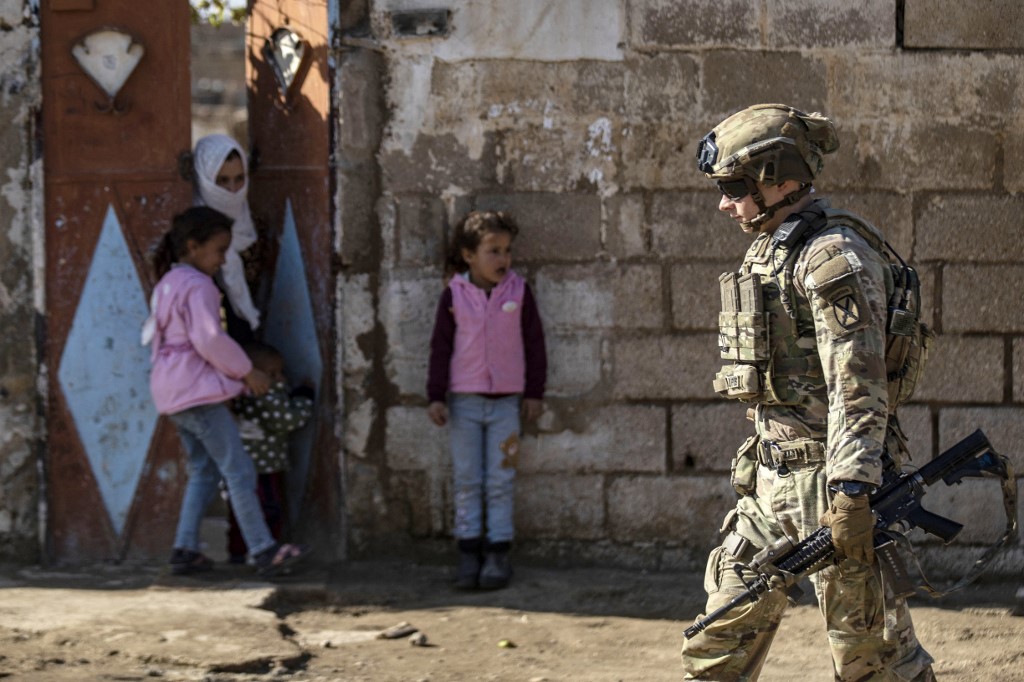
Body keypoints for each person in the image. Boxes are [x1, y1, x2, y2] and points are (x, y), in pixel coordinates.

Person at [681, 104, 936, 680]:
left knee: (872, 661)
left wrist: (852, 493)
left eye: (733, 187)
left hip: (833, 487)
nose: (724, 203)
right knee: (718, 641)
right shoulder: (773, 248)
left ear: (778, 178)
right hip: (770, 485)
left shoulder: (832, 258)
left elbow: (858, 383)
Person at [144, 206, 312, 578]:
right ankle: (263, 549)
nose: (222, 260)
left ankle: (185, 548)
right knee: (239, 469)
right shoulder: (200, 286)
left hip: (171, 390)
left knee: (204, 470)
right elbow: (209, 339)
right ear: (193, 246)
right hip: (197, 392)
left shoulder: (169, 282)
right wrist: (247, 371)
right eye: (219, 250)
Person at [426, 210, 547, 590]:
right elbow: (440, 348)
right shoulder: (454, 295)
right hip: (463, 404)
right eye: (493, 251)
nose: (503, 259)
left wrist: (534, 392)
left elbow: (535, 344)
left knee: (500, 479)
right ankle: (468, 553)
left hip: (506, 405)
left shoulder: (518, 292)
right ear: (469, 255)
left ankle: (497, 554)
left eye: (507, 250)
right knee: (467, 480)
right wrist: (436, 396)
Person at [226, 342, 315, 564]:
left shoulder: (240, 393)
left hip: (247, 464)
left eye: (280, 373)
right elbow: (288, 419)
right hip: (263, 467)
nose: (281, 379)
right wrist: (304, 398)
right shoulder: (265, 395)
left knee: (241, 511)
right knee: (269, 508)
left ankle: (238, 552)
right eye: (273, 374)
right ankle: (269, 548)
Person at [192, 133, 266, 343]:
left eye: (239, 179)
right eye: (222, 180)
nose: (232, 190)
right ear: (204, 178)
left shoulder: (250, 225)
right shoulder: (190, 231)